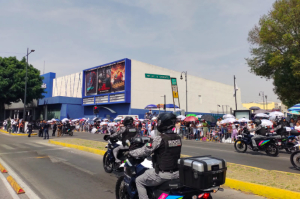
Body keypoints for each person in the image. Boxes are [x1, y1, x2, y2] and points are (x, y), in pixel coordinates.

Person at [129, 113, 181, 199]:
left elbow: (145, 151)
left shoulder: (159, 138)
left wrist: (131, 153)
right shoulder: (178, 137)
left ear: (163, 123)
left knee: (139, 181)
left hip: (162, 174)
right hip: (176, 173)